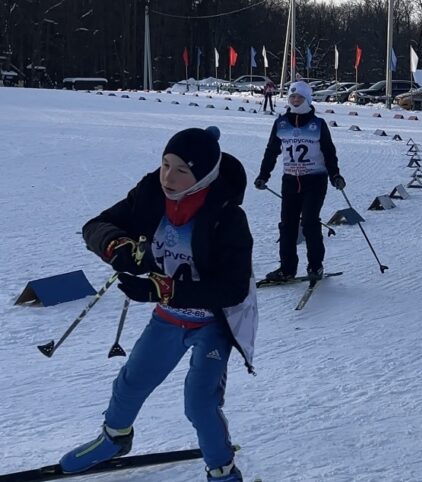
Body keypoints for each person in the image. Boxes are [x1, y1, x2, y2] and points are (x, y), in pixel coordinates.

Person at [61, 127, 257, 482]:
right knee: (131, 382)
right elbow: (96, 225)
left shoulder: (227, 216)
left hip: (213, 322)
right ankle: (115, 439)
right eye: (166, 164)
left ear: (204, 175)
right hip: (169, 318)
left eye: (182, 170)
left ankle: (223, 470)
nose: (169, 176)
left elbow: (232, 290)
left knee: (199, 403)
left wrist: (161, 291)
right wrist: (115, 246)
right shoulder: (151, 193)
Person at [254, 81, 345, 282]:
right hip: (290, 180)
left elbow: (329, 153)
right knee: (287, 225)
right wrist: (263, 175)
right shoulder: (281, 123)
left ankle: (315, 266)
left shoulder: (318, 125)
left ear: (307, 99)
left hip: (314, 180)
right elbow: (272, 151)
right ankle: (287, 268)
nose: (295, 101)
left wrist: (335, 175)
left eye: (300, 97)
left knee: (310, 222)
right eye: (292, 97)